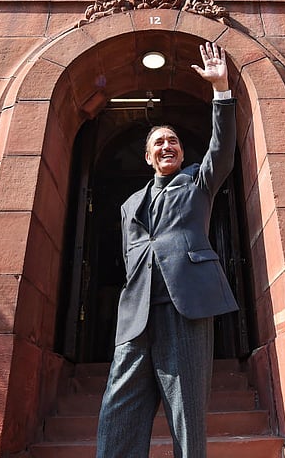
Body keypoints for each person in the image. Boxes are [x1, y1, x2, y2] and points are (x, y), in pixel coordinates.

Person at [95, 41, 239, 458]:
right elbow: (129, 256)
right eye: (159, 142)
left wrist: (221, 91)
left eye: (173, 141)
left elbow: (222, 149)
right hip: (137, 314)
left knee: (186, 410)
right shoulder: (128, 206)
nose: (166, 146)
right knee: (118, 408)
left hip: (186, 305)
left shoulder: (198, 182)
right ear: (148, 157)